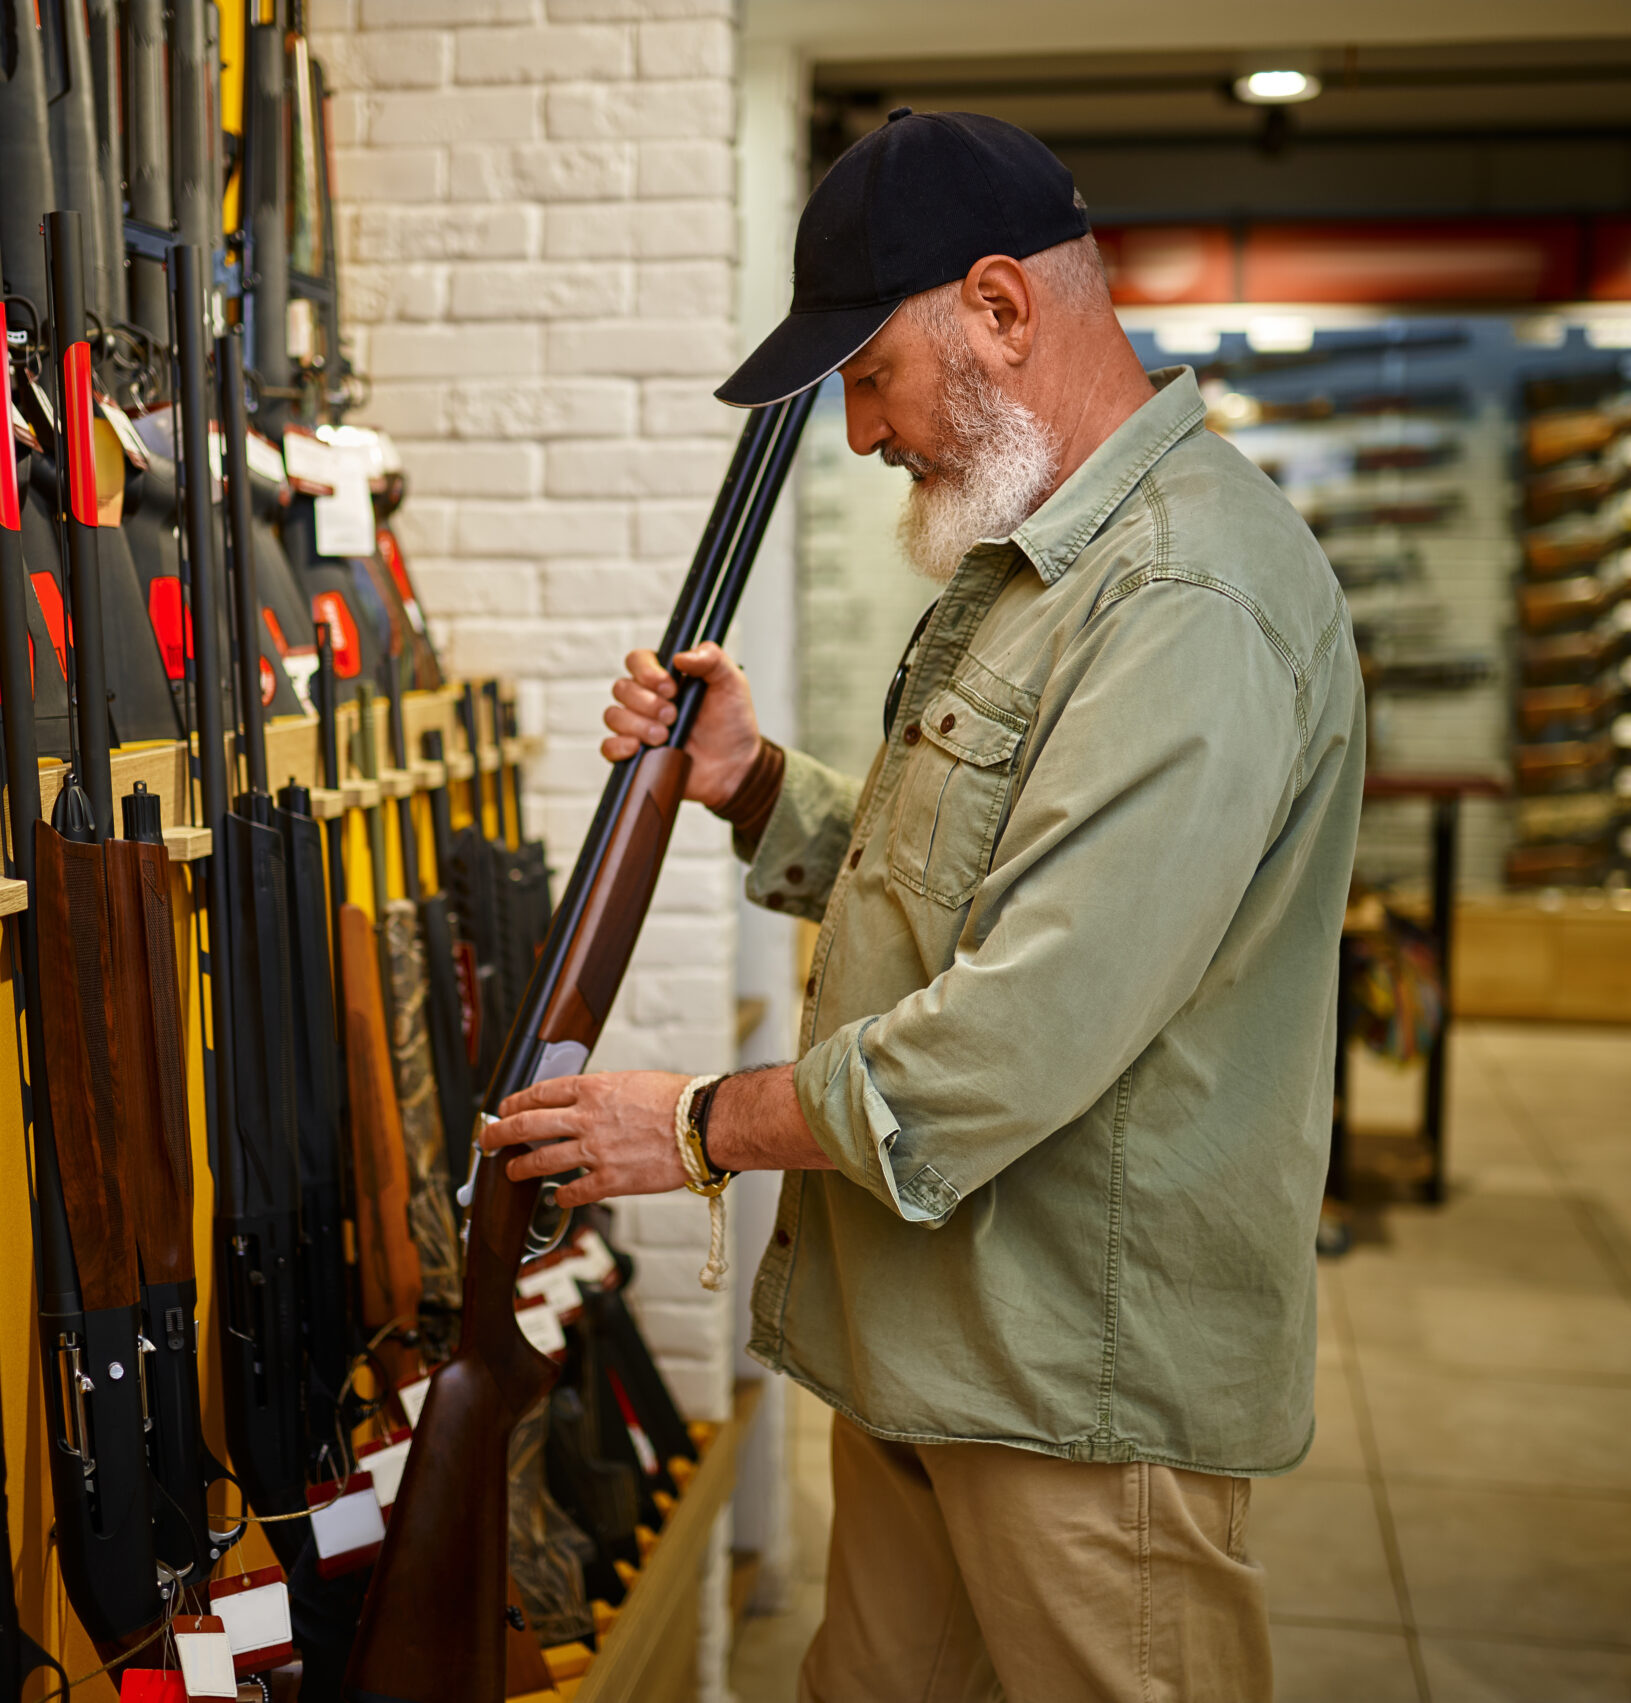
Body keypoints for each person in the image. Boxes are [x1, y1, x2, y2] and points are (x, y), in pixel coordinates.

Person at [479, 107, 1363, 1702]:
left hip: (1076, 1393)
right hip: (938, 1348)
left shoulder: (1185, 601)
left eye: (870, 378)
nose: (863, 434)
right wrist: (754, 784)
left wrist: (690, 1128)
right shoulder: (1041, 571)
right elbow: (958, 877)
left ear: (1003, 310)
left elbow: (1022, 1029)